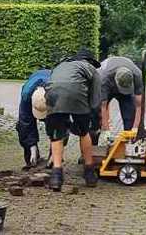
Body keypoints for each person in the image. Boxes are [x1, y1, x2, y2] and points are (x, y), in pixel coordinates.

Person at [43, 49, 102, 191]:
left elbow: (50, 84)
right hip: (77, 95)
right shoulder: (91, 70)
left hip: (53, 94)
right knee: (84, 132)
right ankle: (89, 173)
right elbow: (95, 101)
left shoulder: (60, 66)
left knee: (56, 135)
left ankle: (56, 176)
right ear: (91, 62)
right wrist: (90, 120)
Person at [97, 54, 144, 133]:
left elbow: (139, 105)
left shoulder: (137, 74)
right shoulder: (103, 79)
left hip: (118, 82)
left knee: (130, 114)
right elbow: (103, 106)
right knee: (96, 116)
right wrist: (107, 131)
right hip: (108, 84)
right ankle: (96, 140)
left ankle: (129, 138)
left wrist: (135, 127)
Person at [14, 68, 51, 169]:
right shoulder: (26, 96)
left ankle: (53, 157)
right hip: (32, 92)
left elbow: (61, 127)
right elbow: (25, 123)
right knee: (22, 127)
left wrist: (55, 154)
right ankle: (32, 157)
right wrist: (32, 147)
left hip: (52, 95)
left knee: (57, 125)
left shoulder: (57, 94)